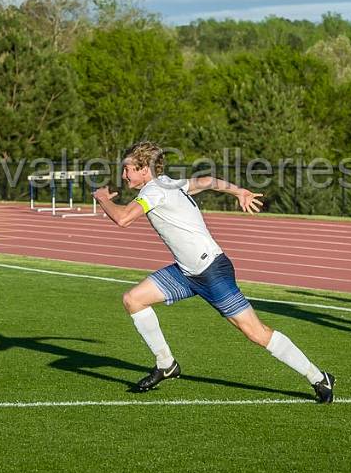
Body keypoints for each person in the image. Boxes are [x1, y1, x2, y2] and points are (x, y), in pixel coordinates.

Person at [92, 141, 336, 403]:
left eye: (128, 169)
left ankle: (318, 377)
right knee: (134, 299)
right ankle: (166, 364)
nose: (124, 174)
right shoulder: (168, 184)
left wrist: (103, 199)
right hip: (186, 272)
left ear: (144, 169)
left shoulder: (154, 190)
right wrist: (238, 191)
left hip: (211, 272)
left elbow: (123, 218)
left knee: (256, 332)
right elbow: (207, 181)